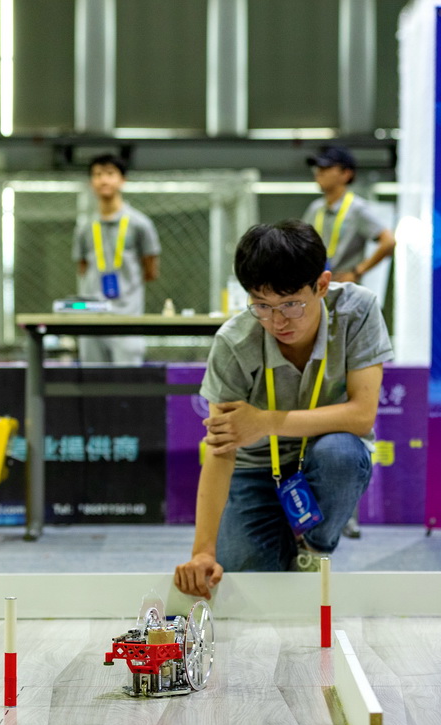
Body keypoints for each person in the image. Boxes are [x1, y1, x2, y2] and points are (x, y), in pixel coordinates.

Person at [174, 220, 392, 599]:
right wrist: (202, 552)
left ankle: (313, 550)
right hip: (253, 469)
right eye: (262, 305)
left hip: (323, 453)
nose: (277, 321)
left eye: (291, 304)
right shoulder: (234, 342)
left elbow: (361, 416)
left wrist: (265, 422)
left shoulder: (358, 310)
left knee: (343, 454)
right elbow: (221, 449)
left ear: (321, 285)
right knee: (250, 588)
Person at [302, 145, 395, 538]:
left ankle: (345, 513)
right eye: (317, 168)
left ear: (346, 173)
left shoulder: (358, 209)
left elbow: (388, 240)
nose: (319, 174)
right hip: (312, 304)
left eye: (327, 168)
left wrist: (357, 270)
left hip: (343, 306)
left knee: (342, 399)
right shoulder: (314, 209)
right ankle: (308, 509)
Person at [72, 154, 160, 365]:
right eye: (97, 174)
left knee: (127, 379)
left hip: (127, 318)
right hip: (91, 317)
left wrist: (127, 293)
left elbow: (151, 271)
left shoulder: (140, 224)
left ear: (122, 180)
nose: (104, 180)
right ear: (91, 182)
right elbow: (82, 268)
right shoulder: (84, 227)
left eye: (110, 174)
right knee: (92, 378)